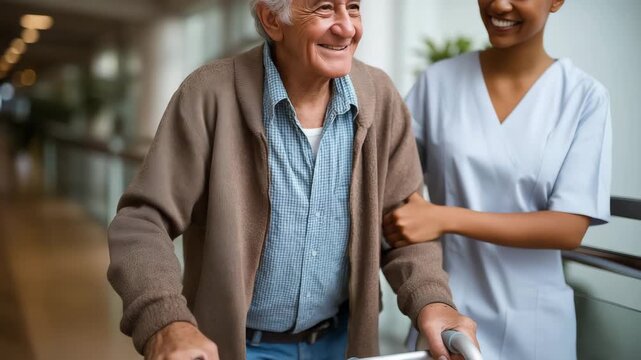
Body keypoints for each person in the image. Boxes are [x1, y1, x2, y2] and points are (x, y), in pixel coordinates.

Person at [107, 1, 478, 359]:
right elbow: (143, 222)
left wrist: (433, 300)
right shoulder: (208, 94)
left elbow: (405, 225)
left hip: (342, 343)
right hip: (234, 347)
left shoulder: (379, 98)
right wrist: (165, 320)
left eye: (352, 6)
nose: (346, 27)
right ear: (271, 20)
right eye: (323, 8)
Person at [383, 0, 611, 359]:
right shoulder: (438, 82)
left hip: (536, 327)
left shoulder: (582, 97)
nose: (499, 4)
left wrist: (443, 218)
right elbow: (393, 179)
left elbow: (569, 226)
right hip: (444, 311)